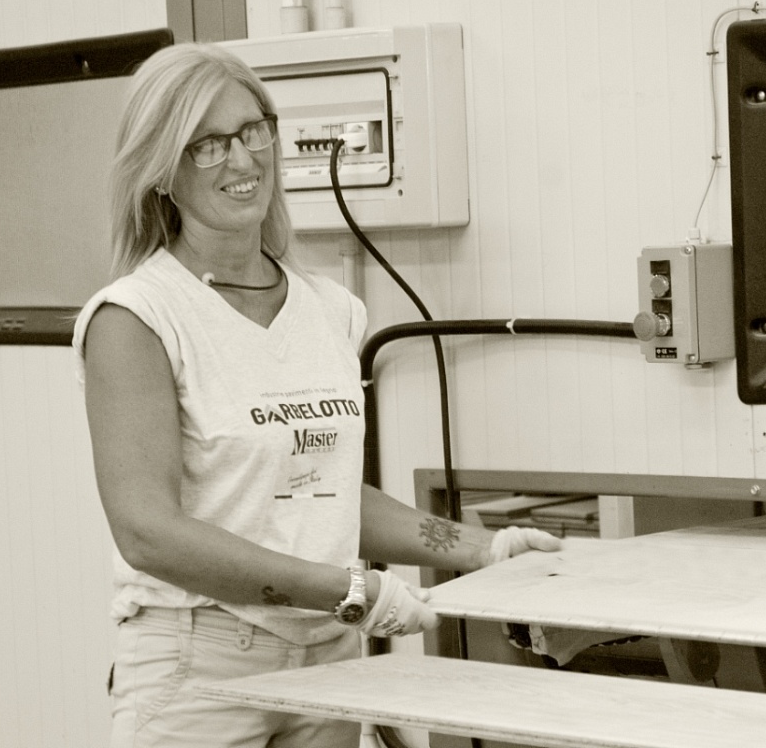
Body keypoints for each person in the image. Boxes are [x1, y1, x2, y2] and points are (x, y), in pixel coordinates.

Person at [72, 41, 561, 748]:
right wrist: (348, 591)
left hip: (327, 656)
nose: (242, 160)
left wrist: (484, 548)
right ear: (162, 173)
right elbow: (148, 533)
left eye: (252, 131)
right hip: (201, 664)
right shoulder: (138, 317)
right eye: (207, 145)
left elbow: (321, 496)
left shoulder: (329, 310)